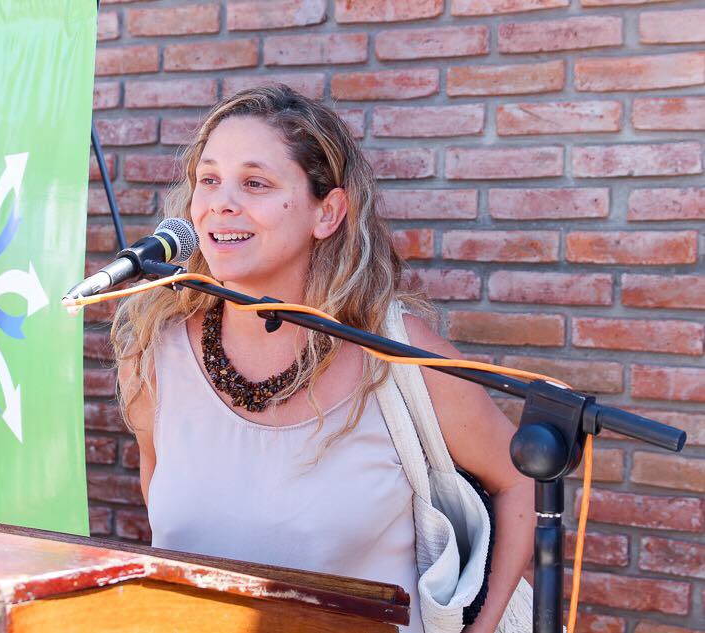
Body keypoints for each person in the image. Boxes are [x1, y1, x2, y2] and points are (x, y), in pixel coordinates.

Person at [110, 84, 533, 633]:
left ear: (327, 213)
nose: (220, 202)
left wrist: (482, 628)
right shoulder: (154, 355)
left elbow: (521, 481)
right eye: (208, 180)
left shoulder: (397, 355)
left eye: (255, 183)